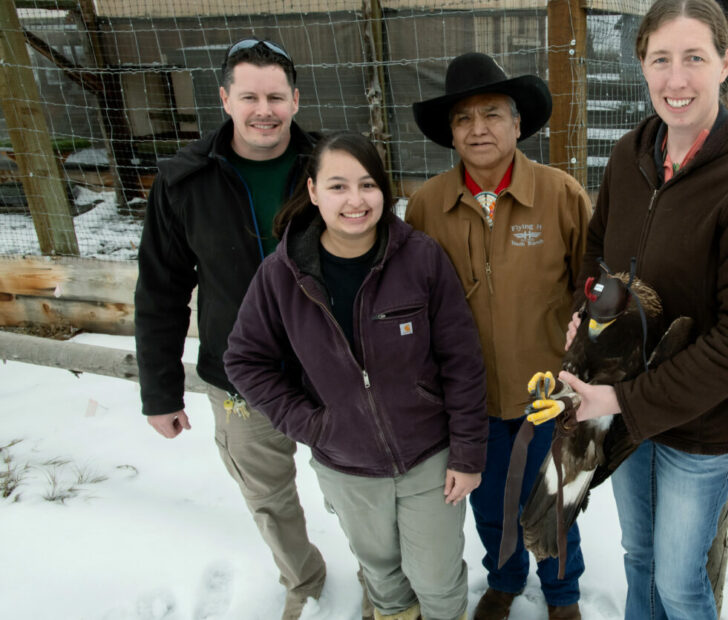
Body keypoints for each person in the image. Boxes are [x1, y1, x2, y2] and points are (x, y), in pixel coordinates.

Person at [549, 0, 728, 617]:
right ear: (642, 65)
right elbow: (598, 253)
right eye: (661, 60)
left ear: (725, 63)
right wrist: (591, 315)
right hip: (628, 410)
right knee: (639, 555)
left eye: (694, 58)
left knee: (682, 579)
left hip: (701, 427)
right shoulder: (631, 156)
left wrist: (624, 400)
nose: (676, 79)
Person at [224, 131, 487, 620]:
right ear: (312, 191)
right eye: (338, 186)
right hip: (346, 464)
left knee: (437, 575)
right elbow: (243, 359)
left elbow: (462, 359)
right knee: (382, 572)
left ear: (384, 192)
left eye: (367, 185)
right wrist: (313, 425)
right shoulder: (282, 274)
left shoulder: (420, 258)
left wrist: (468, 452)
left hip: (428, 456)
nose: (355, 200)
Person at [134, 39, 341, 620]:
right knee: (269, 497)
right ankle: (303, 578)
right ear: (225, 99)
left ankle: (382, 577)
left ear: (296, 100)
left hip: (332, 368)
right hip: (239, 379)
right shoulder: (185, 181)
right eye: (249, 96)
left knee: (359, 489)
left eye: (276, 96)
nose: (264, 110)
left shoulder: (331, 164)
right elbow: (161, 291)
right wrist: (160, 392)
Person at [405, 52, 591, 620]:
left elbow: (594, 289)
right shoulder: (427, 206)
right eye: (464, 119)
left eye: (492, 114)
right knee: (489, 503)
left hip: (548, 395)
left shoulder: (561, 195)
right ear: (450, 134)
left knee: (554, 501)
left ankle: (562, 593)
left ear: (517, 124)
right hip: (470, 399)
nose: (478, 128)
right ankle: (504, 581)